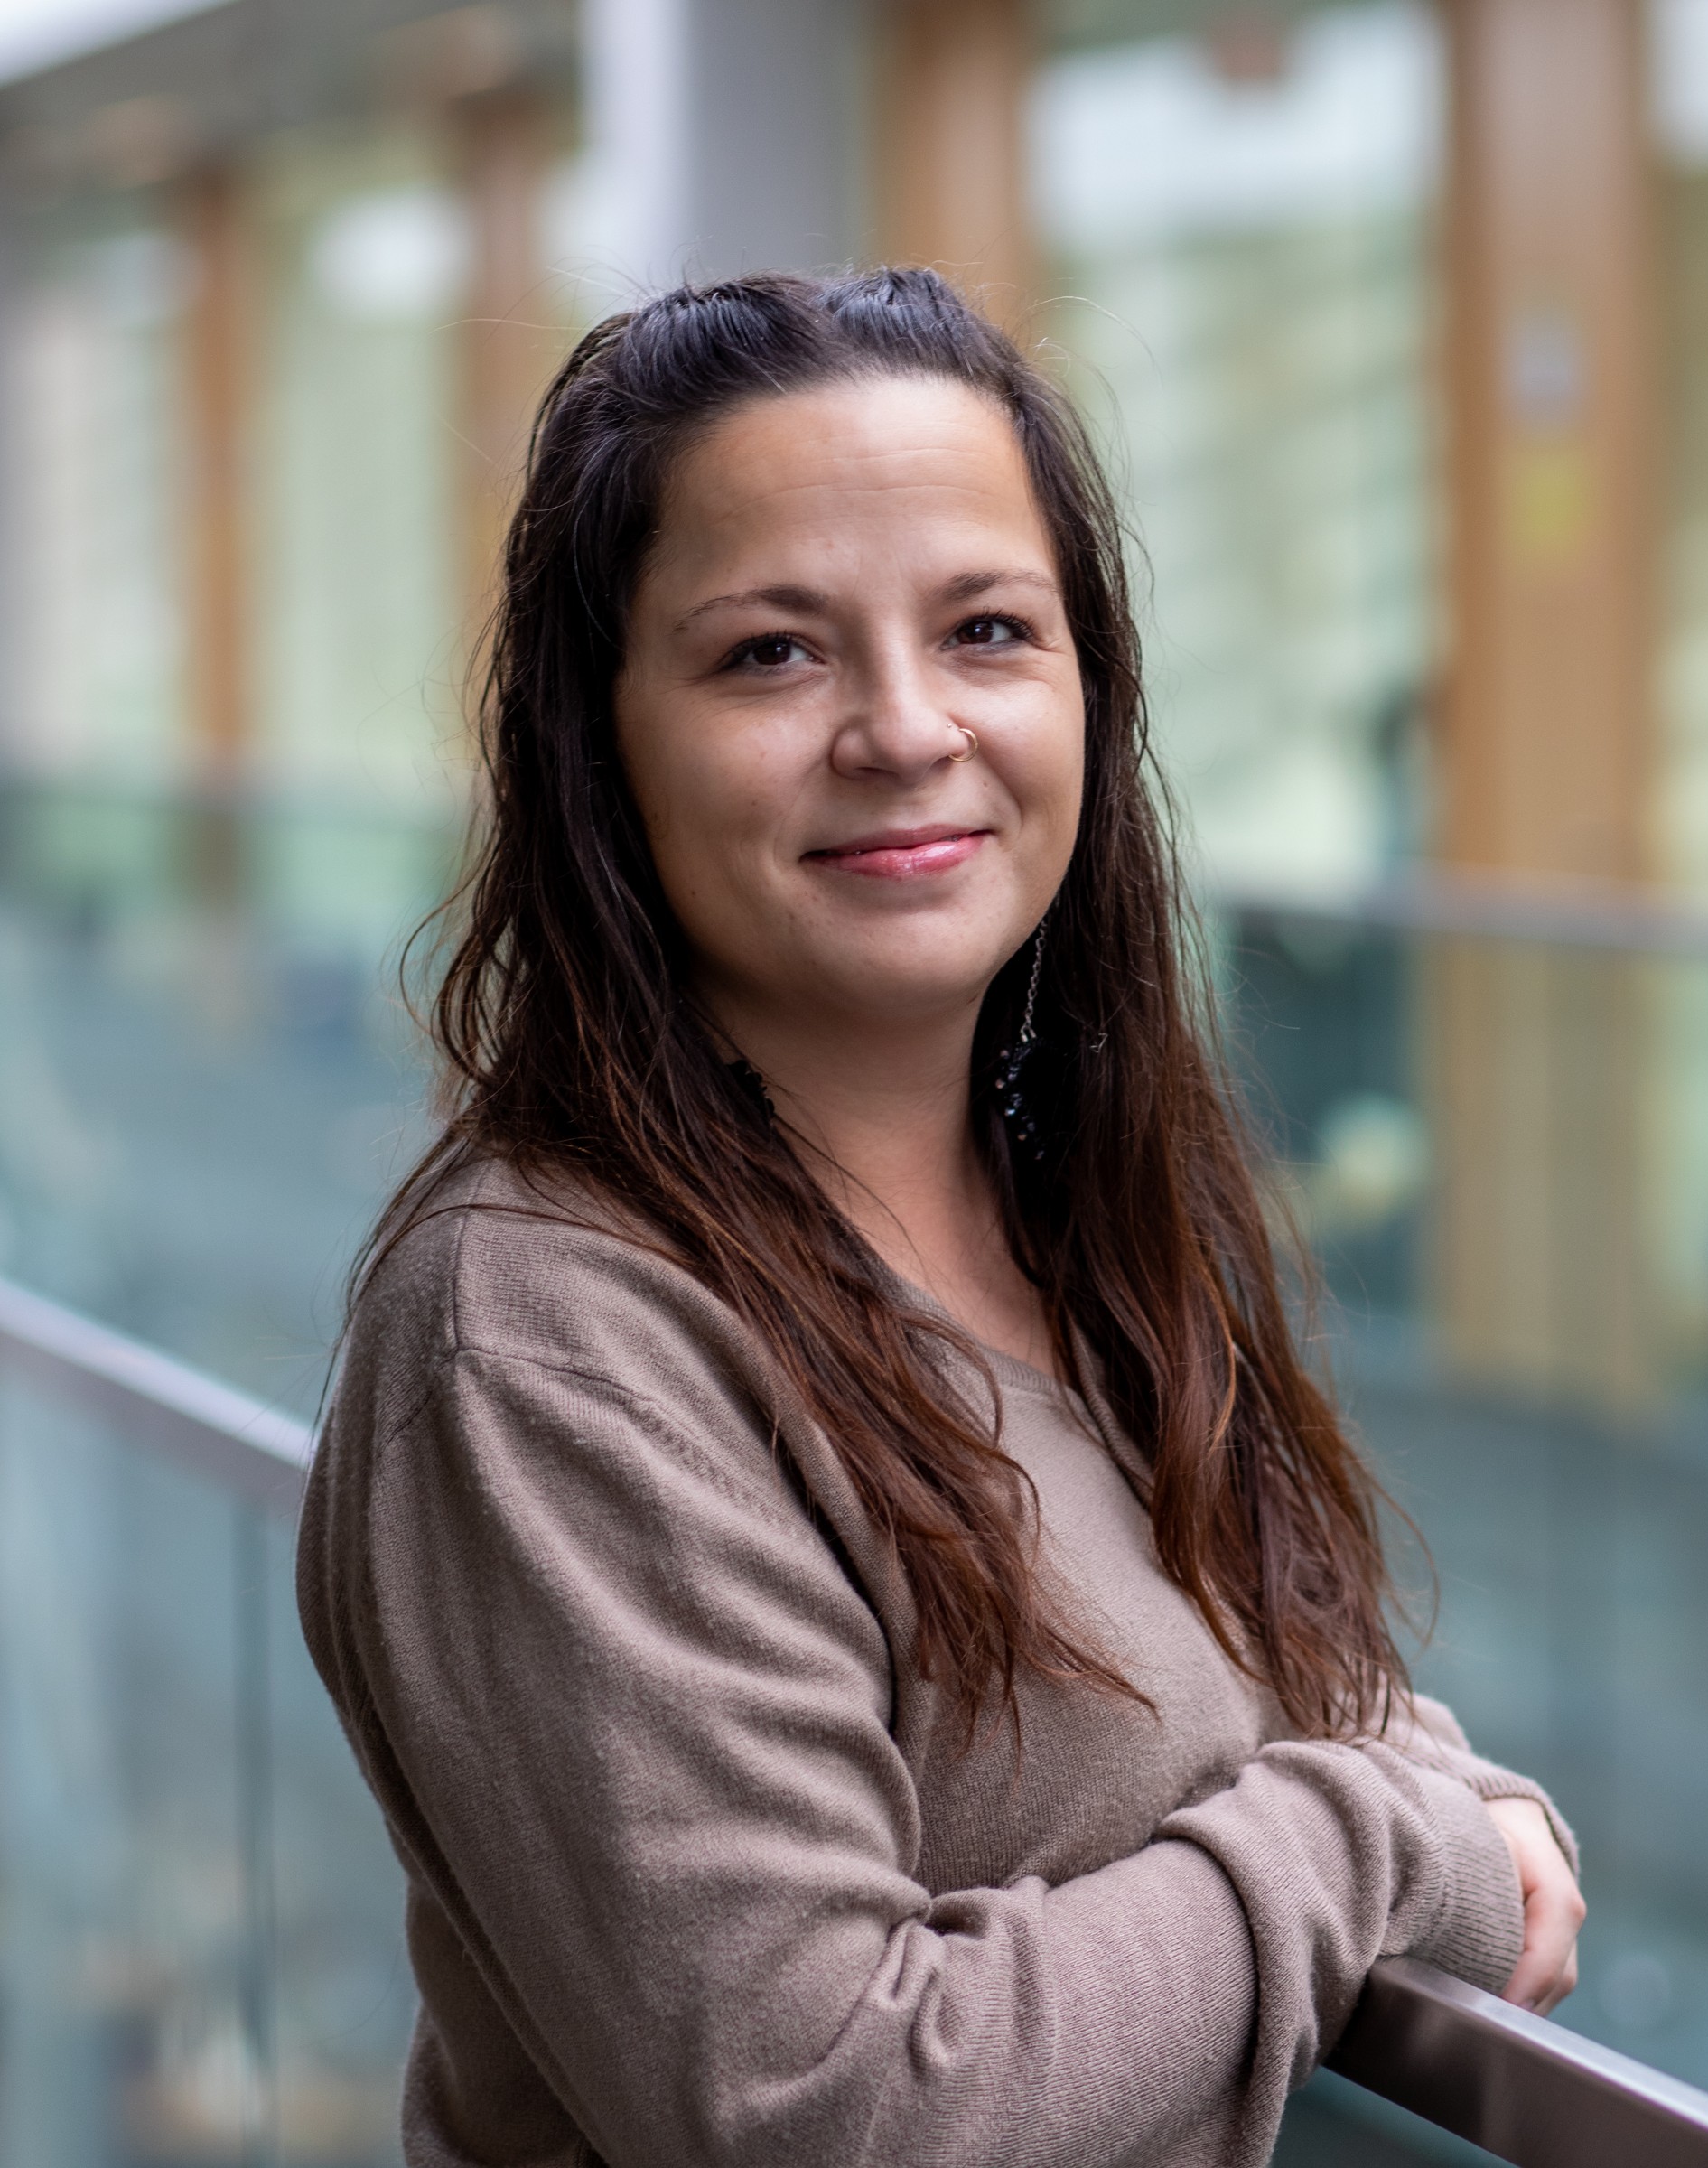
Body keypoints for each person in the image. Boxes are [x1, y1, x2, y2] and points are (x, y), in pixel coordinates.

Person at [297, 268, 1582, 2168]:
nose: (905, 728)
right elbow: (824, 2109)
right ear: (603, 744)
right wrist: (1397, 1835)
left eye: (985, 628)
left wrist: (1412, 1777)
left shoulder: (1073, 1201)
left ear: (1088, 689)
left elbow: (1257, 1707)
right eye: (770, 655)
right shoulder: (546, 1333)